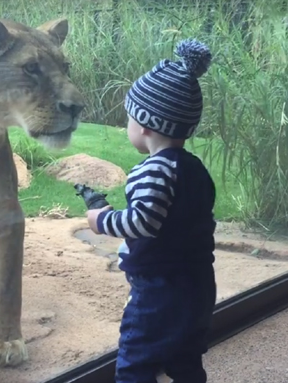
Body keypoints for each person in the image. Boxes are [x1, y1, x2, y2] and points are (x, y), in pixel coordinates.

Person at [86, 38, 217, 383]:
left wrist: (101, 220)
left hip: (160, 291)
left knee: (136, 363)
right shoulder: (194, 169)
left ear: (144, 124)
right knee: (185, 360)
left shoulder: (154, 169)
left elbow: (144, 221)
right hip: (199, 285)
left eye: (129, 117)